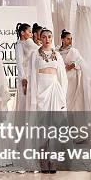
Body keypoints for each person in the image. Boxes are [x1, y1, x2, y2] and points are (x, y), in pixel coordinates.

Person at [26, 29, 68, 172]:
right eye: (44, 37)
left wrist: (63, 96)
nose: (47, 39)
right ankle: (43, 161)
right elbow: (32, 76)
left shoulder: (57, 55)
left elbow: (63, 77)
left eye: (49, 36)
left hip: (55, 91)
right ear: (39, 38)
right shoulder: (35, 55)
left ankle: (53, 161)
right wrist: (34, 97)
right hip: (41, 93)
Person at [59, 30, 86, 111]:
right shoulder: (57, 51)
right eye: (68, 39)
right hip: (62, 77)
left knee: (72, 98)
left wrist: (74, 65)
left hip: (73, 78)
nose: (70, 41)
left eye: (71, 38)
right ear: (62, 39)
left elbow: (81, 62)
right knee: (64, 96)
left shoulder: (74, 51)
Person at [14, 23, 39, 112]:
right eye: (29, 32)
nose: (31, 34)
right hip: (25, 77)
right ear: (22, 33)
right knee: (24, 102)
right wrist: (23, 79)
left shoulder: (30, 43)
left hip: (32, 75)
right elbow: (19, 63)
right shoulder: (19, 45)